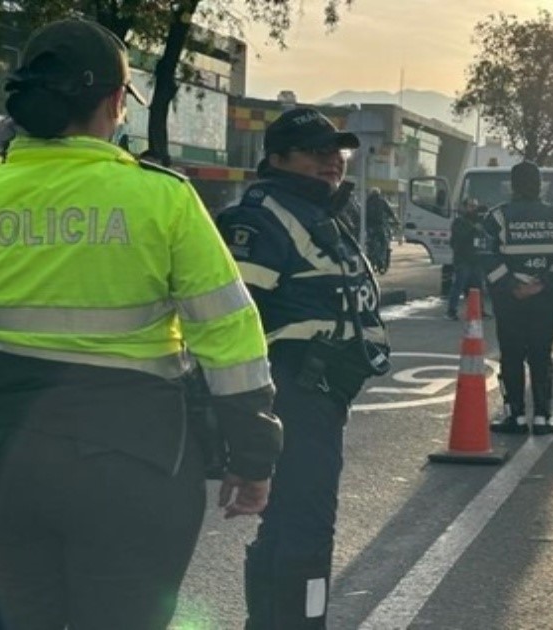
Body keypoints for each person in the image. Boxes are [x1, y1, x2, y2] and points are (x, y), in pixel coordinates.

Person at [0, 19, 282, 629]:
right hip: (135, 469)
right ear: (116, 102)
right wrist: (253, 458)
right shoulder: (164, 200)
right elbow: (229, 339)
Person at [214, 106, 391, 628]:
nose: (332, 162)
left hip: (320, 394)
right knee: (306, 531)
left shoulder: (314, 211)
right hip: (293, 394)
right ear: (277, 158)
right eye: (316, 152)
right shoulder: (260, 218)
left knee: (289, 526)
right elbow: (236, 323)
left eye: (335, 152)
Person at [483, 162, 553, 435]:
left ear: (512, 186)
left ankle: (516, 416)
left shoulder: (497, 217)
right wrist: (545, 283)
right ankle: (542, 417)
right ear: (540, 185)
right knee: (541, 356)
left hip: (510, 300)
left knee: (511, 356)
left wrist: (512, 284)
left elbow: (486, 256)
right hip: (545, 299)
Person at [447, 198, 489, 320]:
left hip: (476, 259)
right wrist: (472, 229)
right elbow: (458, 239)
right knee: (459, 285)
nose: (473, 209)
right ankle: (451, 311)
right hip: (463, 260)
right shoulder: (460, 222)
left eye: (475, 206)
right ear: (465, 207)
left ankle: (479, 310)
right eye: (471, 206)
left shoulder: (479, 221)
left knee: (478, 287)